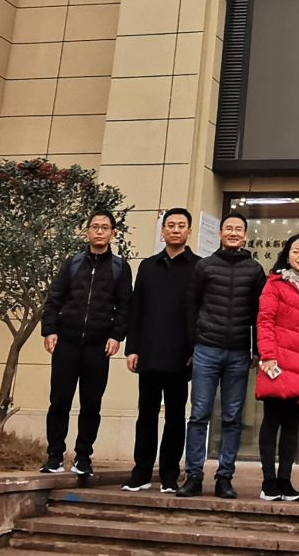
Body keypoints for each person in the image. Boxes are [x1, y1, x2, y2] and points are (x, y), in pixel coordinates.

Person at [178, 212, 266, 499]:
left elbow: (260, 313)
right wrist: (194, 342)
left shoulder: (255, 270)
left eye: (238, 229)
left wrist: (257, 350)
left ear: (245, 235)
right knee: (199, 415)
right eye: (228, 228)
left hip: (239, 353)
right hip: (206, 349)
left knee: (232, 418)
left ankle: (224, 477)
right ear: (220, 233)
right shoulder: (204, 266)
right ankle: (193, 475)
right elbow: (191, 306)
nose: (233, 233)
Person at [39, 208, 132, 476]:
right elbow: (54, 298)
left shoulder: (120, 267)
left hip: (98, 346)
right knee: (59, 401)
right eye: (95, 227)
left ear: (113, 233)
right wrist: (49, 330)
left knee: (91, 404)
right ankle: (55, 456)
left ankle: (83, 457)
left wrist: (116, 336)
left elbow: (125, 306)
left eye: (105, 227)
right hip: (66, 342)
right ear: (87, 232)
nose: (100, 231)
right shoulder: (73, 263)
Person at [123, 207, 198, 493]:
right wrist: (132, 348)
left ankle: (169, 474)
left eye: (181, 225)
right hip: (149, 353)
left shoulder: (199, 267)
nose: (175, 230)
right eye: (170, 225)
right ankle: (141, 472)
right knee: (146, 415)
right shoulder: (147, 266)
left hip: (181, 356)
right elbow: (136, 310)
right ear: (162, 231)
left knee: (176, 417)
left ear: (189, 231)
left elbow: (200, 313)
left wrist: (196, 350)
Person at [256, 233, 299, 502]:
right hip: (278, 363)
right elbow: (264, 321)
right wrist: (268, 355)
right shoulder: (275, 284)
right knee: (272, 421)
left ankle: (285, 480)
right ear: (287, 255)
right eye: (296, 251)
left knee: (293, 426)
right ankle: (268, 481)